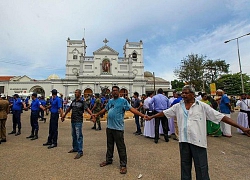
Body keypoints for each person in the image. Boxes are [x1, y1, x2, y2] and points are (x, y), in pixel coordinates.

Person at [145, 85, 250, 180]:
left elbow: (221, 117)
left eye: (186, 93)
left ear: (193, 94)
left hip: (198, 142)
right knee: (185, 166)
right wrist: (151, 117)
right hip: (184, 141)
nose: (184, 95)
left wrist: (242, 128)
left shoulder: (202, 106)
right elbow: (164, 113)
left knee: (201, 168)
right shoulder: (178, 106)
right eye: (183, 93)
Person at [93, 86, 145, 174]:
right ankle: (109, 160)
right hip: (109, 127)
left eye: (116, 90)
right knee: (109, 145)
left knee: (121, 147)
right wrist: (96, 114)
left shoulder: (123, 101)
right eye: (113, 91)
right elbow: (104, 110)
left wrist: (143, 116)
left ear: (119, 92)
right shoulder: (110, 101)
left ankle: (123, 165)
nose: (114, 92)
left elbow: (132, 109)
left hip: (118, 129)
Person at [61, 89, 94, 159]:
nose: (75, 94)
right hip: (73, 120)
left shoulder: (82, 102)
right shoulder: (73, 101)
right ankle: (75, 148)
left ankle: (80, 151)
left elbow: (87, 109)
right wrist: (64, 115)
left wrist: (92, 115)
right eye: (75, 92)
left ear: (80, 94)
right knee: (74, 135)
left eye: (76, 93)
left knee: (79, 135)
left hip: (78, 121)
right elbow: (69, 109)